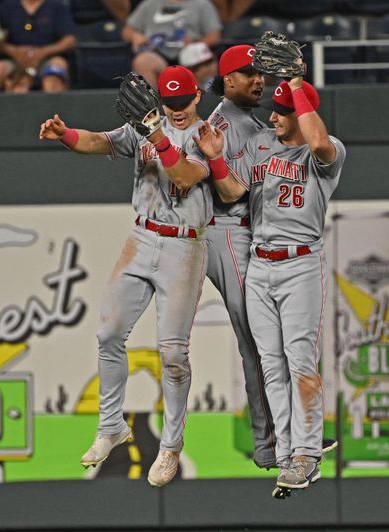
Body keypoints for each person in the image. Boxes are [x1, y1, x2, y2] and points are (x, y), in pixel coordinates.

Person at [39, 66, 212, 487]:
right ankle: (110, 426)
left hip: (184, 244)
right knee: (109, 333)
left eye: (182, 102)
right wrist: (65, 134)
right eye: (169, 104)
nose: (176, 111)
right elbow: (102, 142)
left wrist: (155, 133)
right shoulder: (146, 124)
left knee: (172, 355)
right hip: (143, 235)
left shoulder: (209, 134)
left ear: (197, 99)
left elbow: (186, 177)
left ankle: (170, 446)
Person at [196, 75, 347, 494]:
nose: (274, 117)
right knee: (271, 365)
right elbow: (231, 194)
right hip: (260, 263)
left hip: (301, 262)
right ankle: (287, 456)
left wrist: (297, 85)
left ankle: (308, 455)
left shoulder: (325, 149)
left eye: (283, 111)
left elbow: (319, 144)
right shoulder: (262, 144)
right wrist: (216, 160)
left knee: (301, 361)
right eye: (275, 110)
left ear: (302, 113)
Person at [204, 44, 277, 469]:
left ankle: (277, 439)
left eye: (261, 73)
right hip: (227, 229)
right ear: (227, 80)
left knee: (267, 338)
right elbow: (228, 190)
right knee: (258, 339)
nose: (258, 79)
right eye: (248, 73)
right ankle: (268, 443)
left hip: (242, 231)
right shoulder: (222, 124)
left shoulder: (246, 120)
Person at [121, 0, 221, 88]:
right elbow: (127, 31)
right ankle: (151, 106)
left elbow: (214, 37)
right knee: (143, 62)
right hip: (158, 52)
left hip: (190, 53)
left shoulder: (202, 4)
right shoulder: (150, 3)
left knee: (206, 60)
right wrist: (135, 36)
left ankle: (200, 102)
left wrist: (195, 43)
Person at [0, 0, 76, 91]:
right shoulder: (7, 7)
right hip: (14, 60)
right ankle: (2, 104)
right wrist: (14, 51)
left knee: (58, 66)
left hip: (47, 58)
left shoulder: (57, 6)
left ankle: (54, 104)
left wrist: (42, 52)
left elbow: (69, 41)